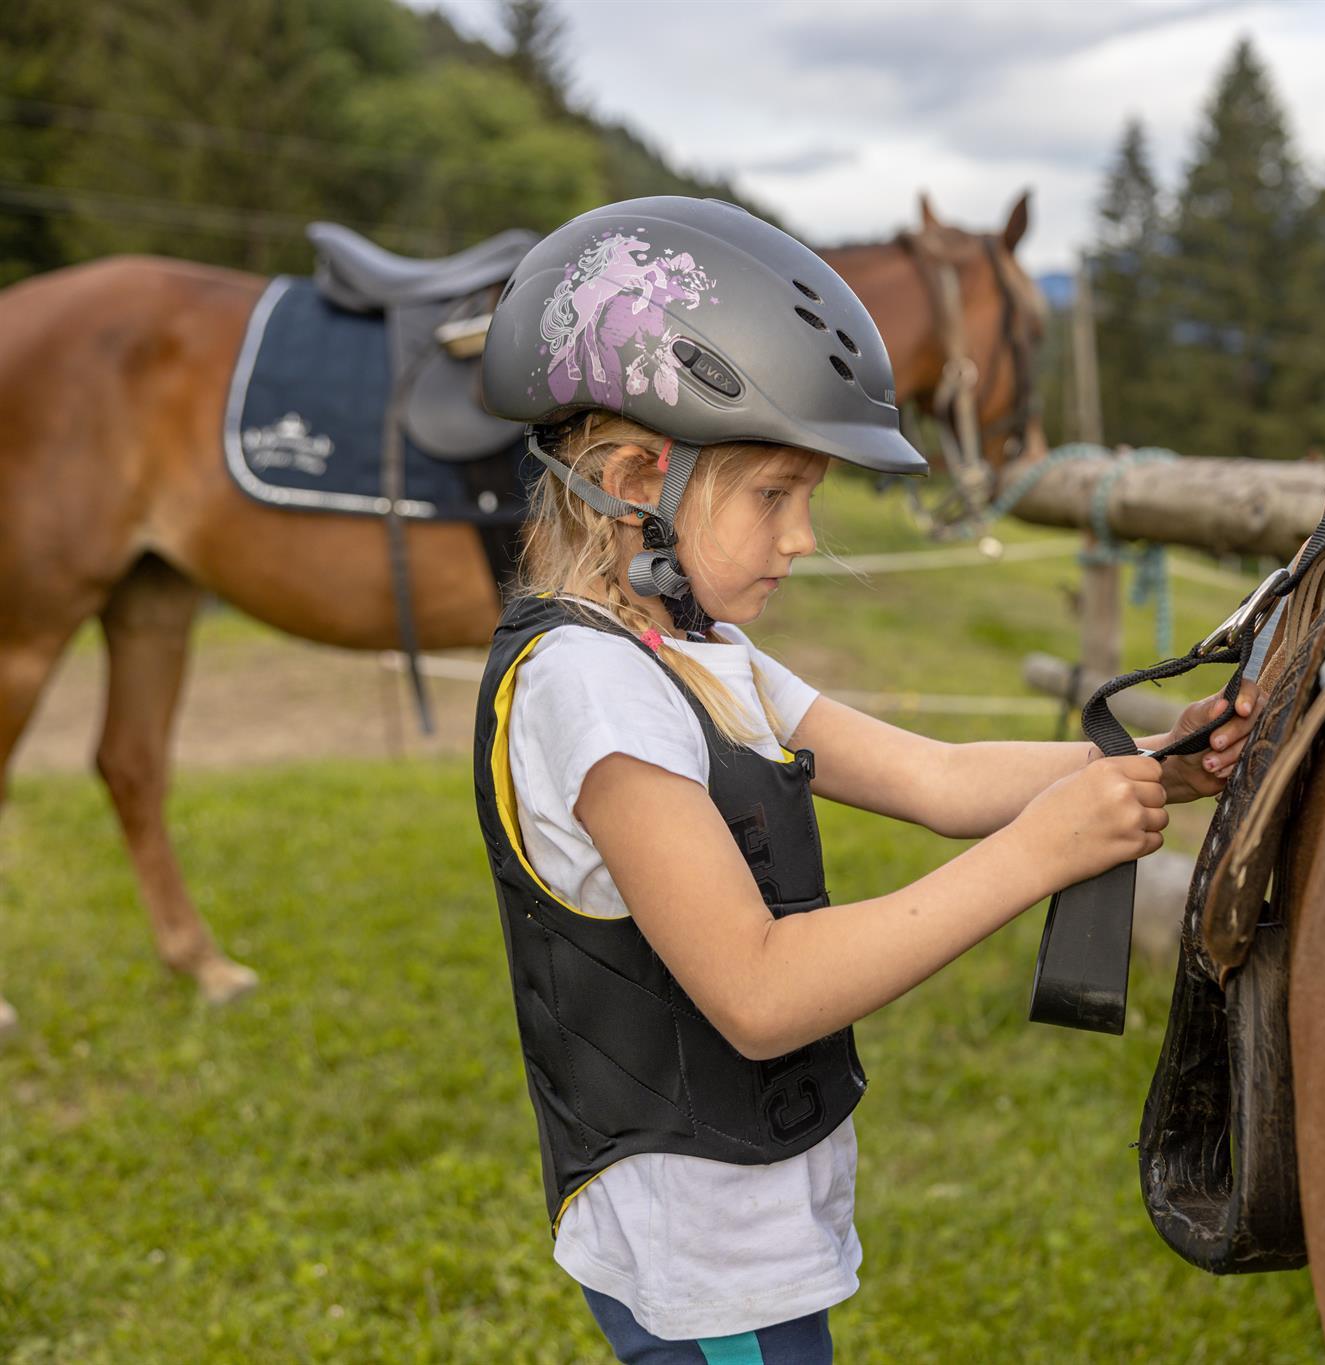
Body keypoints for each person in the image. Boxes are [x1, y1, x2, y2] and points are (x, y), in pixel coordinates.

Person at [472, 197, 1258, 1363]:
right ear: (637, 479)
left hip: (743, 1224)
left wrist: (1161, 769)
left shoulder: (696, 652)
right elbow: (756, 990)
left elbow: (936, 777)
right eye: (772, 496)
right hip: (703, 1260)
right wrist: (1038, 854)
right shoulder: (594, 691)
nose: (800, 538)